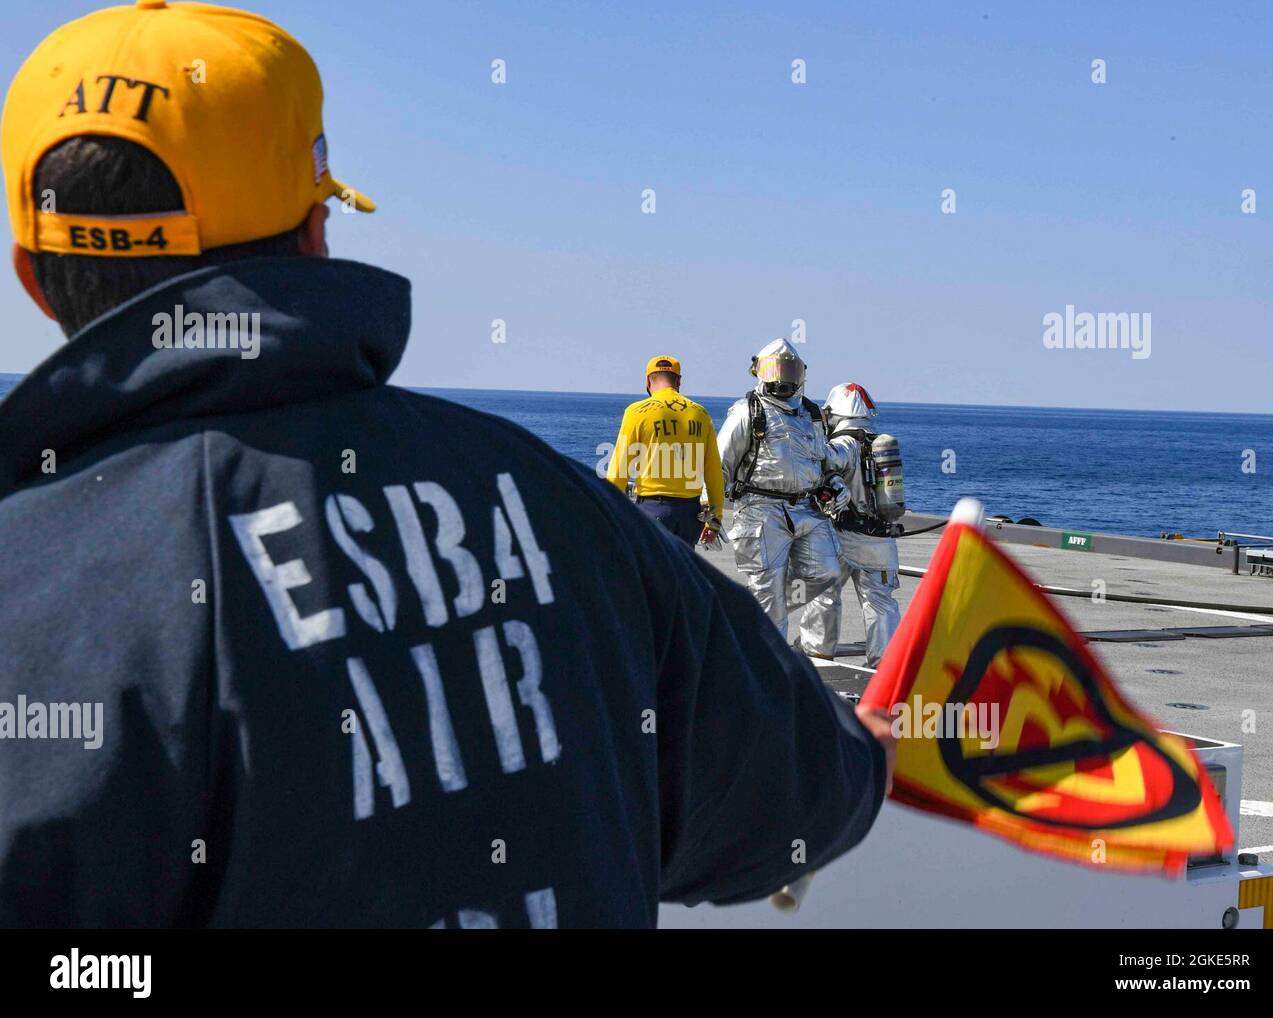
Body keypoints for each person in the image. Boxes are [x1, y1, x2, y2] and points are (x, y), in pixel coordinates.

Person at [0, 0, 894, 928]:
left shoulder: (29, 589)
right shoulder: (560, 509)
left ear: (30, 274)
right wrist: (863, 755)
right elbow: (789, 792)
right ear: (315, 230)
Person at [718, 338, 853, 639]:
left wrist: (834, 483)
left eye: (788, 369)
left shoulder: (811, 415)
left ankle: (754, 611)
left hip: (807, 508)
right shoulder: (747, 412)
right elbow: (719, 464)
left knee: (827, 572)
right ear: (758, 372)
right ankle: (771, 666)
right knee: (768, 593)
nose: (782, 378)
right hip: (761, 510)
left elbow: (820, 461)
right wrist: (709, 510)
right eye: (774, 369)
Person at [798, 383, 903, 666]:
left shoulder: (843, 444)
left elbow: (821, 463)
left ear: (834, 413)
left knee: (824, 594)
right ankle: (885, 667)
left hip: (842, 536)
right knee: (881, 603)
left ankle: (817, 656)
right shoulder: (880, 444)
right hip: (881, 540)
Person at [605, 355, 724, 546]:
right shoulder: (700, 413)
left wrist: (608, 510)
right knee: (683, 571)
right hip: (690, 515)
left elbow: (619, 468)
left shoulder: (636, 412)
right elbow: (714, 472)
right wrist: (715, 519)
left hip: (653, 509)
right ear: (679, 381)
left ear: (647, 381)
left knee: (651, 572)